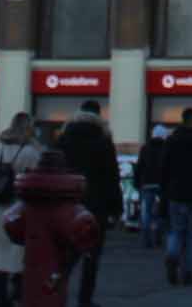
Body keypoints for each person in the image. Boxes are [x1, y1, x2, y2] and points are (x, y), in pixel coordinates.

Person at [56, 102, 120, 307]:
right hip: (96, 204)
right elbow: (112, 176)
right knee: (91, 255)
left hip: (67, 201)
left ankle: (55, 290)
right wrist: (116, 208)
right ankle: (85, 299)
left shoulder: (65, 137)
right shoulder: (103, 139)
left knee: (67, 253)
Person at [0, 113, 39, 306]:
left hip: (0, 204)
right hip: (20, 203)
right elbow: (36, 176)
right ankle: (18, 292)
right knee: (19, 252)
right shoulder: (30, 151)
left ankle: (0, 298)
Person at [159, 109, 192, 286]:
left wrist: (165, 189)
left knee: (176, 229)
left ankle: (172, 255)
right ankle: (188, 271)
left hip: (175, 192)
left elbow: (164, 167)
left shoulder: (171, 140)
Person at [136, 125, 169, 249]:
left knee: (146, 212)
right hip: (162, 184)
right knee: (161, 212)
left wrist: (137, 182)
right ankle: (158, 236)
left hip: (146, 183)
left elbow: (140, 166)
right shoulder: (167, 148)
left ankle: (146, 239)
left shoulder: (145, 148)